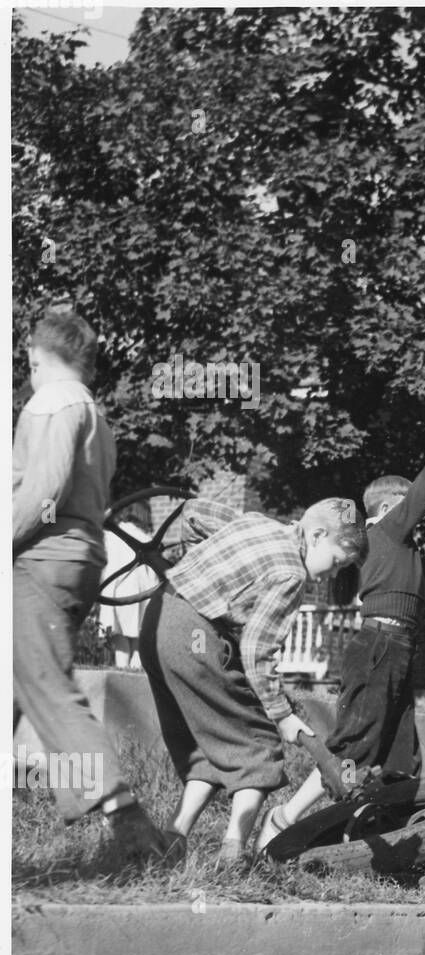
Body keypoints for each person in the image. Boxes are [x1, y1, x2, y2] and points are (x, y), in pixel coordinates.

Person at [259, 390, 425, 848]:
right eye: (410, 507)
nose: (423, 513)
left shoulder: (392, 545)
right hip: (379, 647)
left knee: (401, 753)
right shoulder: (389, 531)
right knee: (354, 746)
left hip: (395, 648)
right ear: (386, 510)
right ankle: (285, 819)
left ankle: (381, 836)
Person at [12, 307, 172, 860]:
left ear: (36, 354)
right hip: (76, 558)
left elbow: (44, 495)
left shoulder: (54, 402)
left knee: (44, 685)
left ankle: (127, 821)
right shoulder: (95, 414)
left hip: (39, 557)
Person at [138, 495, 368, 864]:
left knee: (209, 745)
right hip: (196, 639)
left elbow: (196, 511)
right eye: (338, 561)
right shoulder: (291, 573)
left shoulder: (257, 523)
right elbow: (257, 651)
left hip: (158, 619)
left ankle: (171, 840)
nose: (334, 574)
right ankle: (233, 853)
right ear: (317, 534)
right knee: (257, 746)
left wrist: (199, 564)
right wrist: (281, 715)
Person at [101, 502, 159, 669]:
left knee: (120, 638)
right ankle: (135, 674)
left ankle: (122, 673)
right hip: (143, 592)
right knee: (137, 640)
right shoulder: (147, 537)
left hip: (120, 589)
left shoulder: (112, 535)